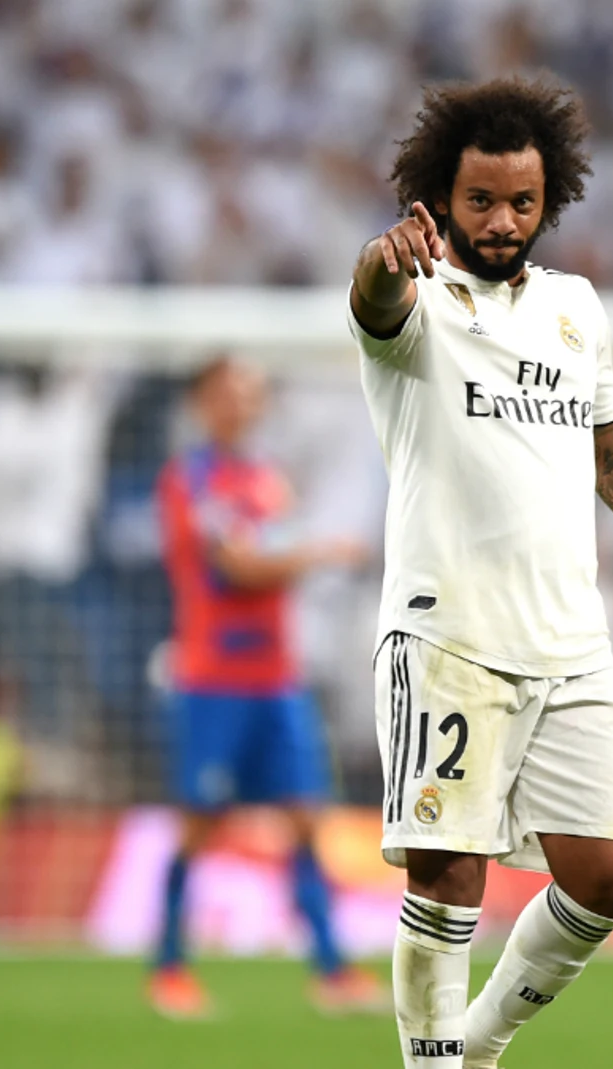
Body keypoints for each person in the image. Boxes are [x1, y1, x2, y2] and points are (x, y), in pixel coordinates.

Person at [346, 77, 613, 1068]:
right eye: (480, 200)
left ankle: (477, 1046)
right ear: (442, 197)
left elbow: (609, 449)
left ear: (549, 199)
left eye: (520, 202)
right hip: (449, 638)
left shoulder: (575, 308)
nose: (501, 221)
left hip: (571, 644)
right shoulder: (422, 299)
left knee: (611, 875)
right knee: (448, 874)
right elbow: (373, 300)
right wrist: (383, 261)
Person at [148, 358, 385, 1019]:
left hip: (277, 678)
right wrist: (317, 552)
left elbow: (269, 552)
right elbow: (240, 565)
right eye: (230, 391)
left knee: (305, 815)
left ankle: (331, 969)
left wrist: (289, 552)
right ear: (202, 401)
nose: (243, 403)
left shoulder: (265, 479)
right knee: (200, 823)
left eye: (252, 392)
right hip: (212, 678)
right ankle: (169, 967)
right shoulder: (190, 480)